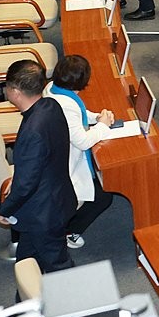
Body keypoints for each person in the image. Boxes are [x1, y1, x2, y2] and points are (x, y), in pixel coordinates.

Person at [0, 61, 76, 273]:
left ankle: (78, 303)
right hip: (56, 198)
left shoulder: (32, 131)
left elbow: (26, 185)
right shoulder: (51, 106)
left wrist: (5, 209)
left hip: (44, 214)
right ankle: (27, 302)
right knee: (26, 264)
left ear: (16, 92)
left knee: (59, 267)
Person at [45, 56, 113, 250]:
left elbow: (78, 115)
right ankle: (68, 232)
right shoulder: (65, 103)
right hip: (64, 167)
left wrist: (97, 117)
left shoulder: (54, 89)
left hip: (58, 156)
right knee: (103, 197)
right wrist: (102, 126)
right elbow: (82, 141)